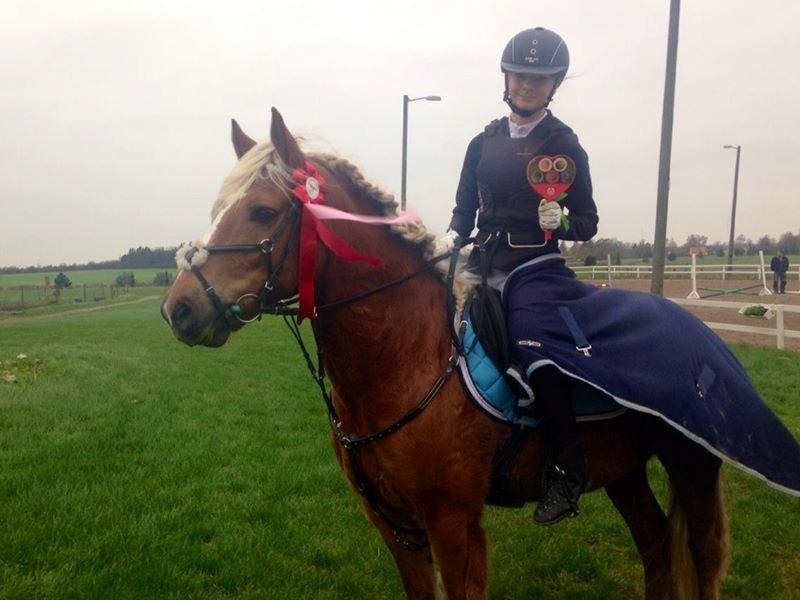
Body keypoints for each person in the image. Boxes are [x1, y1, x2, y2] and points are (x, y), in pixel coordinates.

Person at [449, 27, 598, 525]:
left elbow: (588, 222)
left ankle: (565, 469)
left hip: (535, 267)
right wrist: (451, 238)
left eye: (539, 78)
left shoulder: (564, 143)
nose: (528, 85)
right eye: (521, 75)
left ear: (552, 84)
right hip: (481, 262)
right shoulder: (481, 141)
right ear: (507, 78)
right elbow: (464, 207)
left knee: (535, 347)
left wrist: (565, 223)